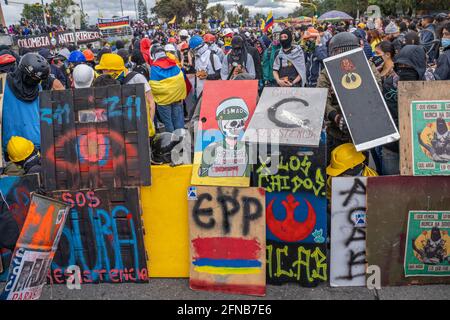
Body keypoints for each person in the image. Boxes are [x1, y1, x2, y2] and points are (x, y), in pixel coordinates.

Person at [317, 32, 382, 160]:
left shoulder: (368, 67)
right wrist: (335, 117)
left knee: (359, 168)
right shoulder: (327, 72)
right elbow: (321, 97)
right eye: (339, 52)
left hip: (362, 130)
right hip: (335, 133)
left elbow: (376, 91)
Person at [2, 53, 50, 153]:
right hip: (12, 149)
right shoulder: (3, 85)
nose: (33, 83)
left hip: (35, 147)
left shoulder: (38, 88)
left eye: (36, 81)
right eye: (31, 79)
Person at [95, 53, 155, 122]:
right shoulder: (105, 82)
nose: (102, 72)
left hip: (139, 124)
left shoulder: (137, 78)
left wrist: (148, 124)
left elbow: (151, 102)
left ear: (110, 70)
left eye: (103, 70)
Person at [149, 44, 187, 133]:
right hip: (177, 99)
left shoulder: (154, 68)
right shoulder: (174, 63)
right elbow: (181, 80)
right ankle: (182, 141)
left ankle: (172, 143)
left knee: (168, 123)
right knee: (178, 122)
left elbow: (154, 86)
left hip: (163, 102)